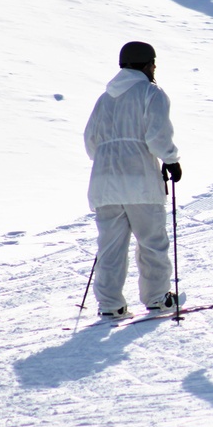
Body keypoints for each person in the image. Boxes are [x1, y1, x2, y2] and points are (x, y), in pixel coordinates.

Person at [84, 41, 182, 318]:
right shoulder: (151, 93)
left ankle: (110, 304)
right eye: (153, 64)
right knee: (151, 242)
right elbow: (157, 135)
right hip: (140, 181)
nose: (154, 69)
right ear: (145, 64)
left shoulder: (104, 99)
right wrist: (171, 160)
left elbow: (90, 142)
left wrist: (109, 159)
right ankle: (157, 297)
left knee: (111, 247)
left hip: (103, 183)